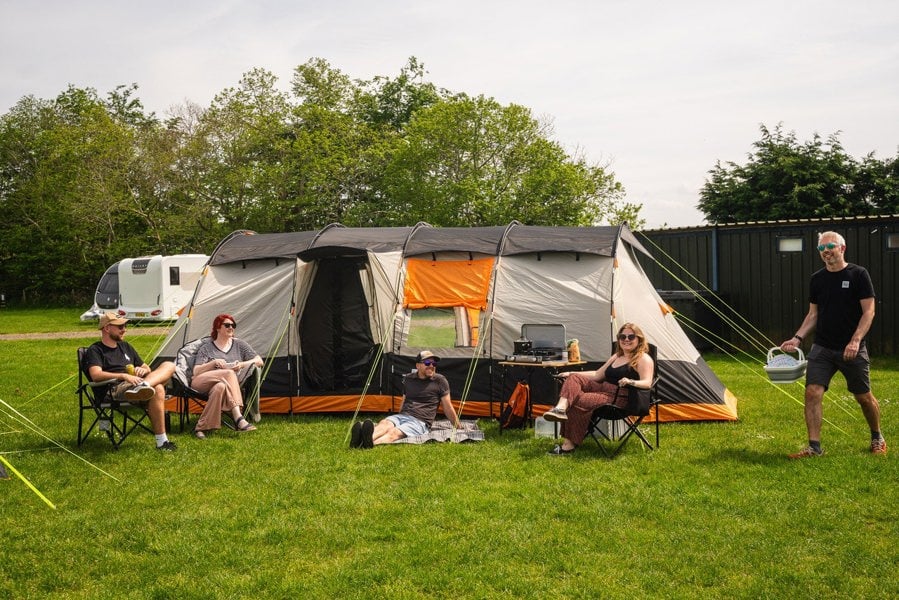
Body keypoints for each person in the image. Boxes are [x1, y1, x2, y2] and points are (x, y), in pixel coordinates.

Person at [780, 231, 886, 458]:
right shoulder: (817, 279)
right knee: (812, 392)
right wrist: (797, 338)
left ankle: (877, 437)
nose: (825, 251)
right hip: (822, 348)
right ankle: (814, 447)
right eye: (821, 248)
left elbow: (869, 312)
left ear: (842, 248)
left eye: (830, 246)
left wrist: (855, 340)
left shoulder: (858, 274)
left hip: (852, 348)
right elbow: (813, 315)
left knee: (863, 397)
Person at [542, 323, 654, 455]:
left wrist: (631, 381)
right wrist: (571, 373)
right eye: (622, 336)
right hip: (603, 389)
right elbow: (597, 375)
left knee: (577, 400)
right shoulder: (617, 356)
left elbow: (647, 383)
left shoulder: (643, 359)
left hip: (621, 397)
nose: (626, 340)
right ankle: (560, 409)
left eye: (631, 337)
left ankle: (568, 446)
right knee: (574, 378)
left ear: (639, 339)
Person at [84, 312, 178, 451]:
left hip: (136, 384)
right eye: (120, 326)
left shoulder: (126, 347)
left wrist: (143, 370)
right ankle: (162, 442)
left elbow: (146, 367)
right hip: (114, 389)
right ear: (107, 328)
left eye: (125, 326)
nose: (124, 329)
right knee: (158, 388)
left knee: (169, 365)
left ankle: (143, 386)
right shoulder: (95, 350)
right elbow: (96, 375)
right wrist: (123, 376)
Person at [350, 350, 461, 448]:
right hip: (402, 416)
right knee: (385, 424)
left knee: (394, 432)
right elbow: (404, 400)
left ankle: (368, 444)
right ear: (418, 365)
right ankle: (365, 439)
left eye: (434, 363)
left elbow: (448, 406)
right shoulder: (408, 379)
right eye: (427, 362)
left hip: (420, 422)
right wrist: (397, 418)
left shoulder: (440, 381)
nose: (431, 365)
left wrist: (458, 427)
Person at [189, 314, 264, 438]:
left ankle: (201, 428)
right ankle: (238, 417)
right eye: (227, 325)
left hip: (224, 384)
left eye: (233, 325)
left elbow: (259, 360)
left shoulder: (239, 344)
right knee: (228, 373)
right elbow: (196, 371)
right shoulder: (206, 348)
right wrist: (213, 363)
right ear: (218, 328)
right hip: (201, 382)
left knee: (220, 388)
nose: (231, 328)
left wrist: (241, 364)